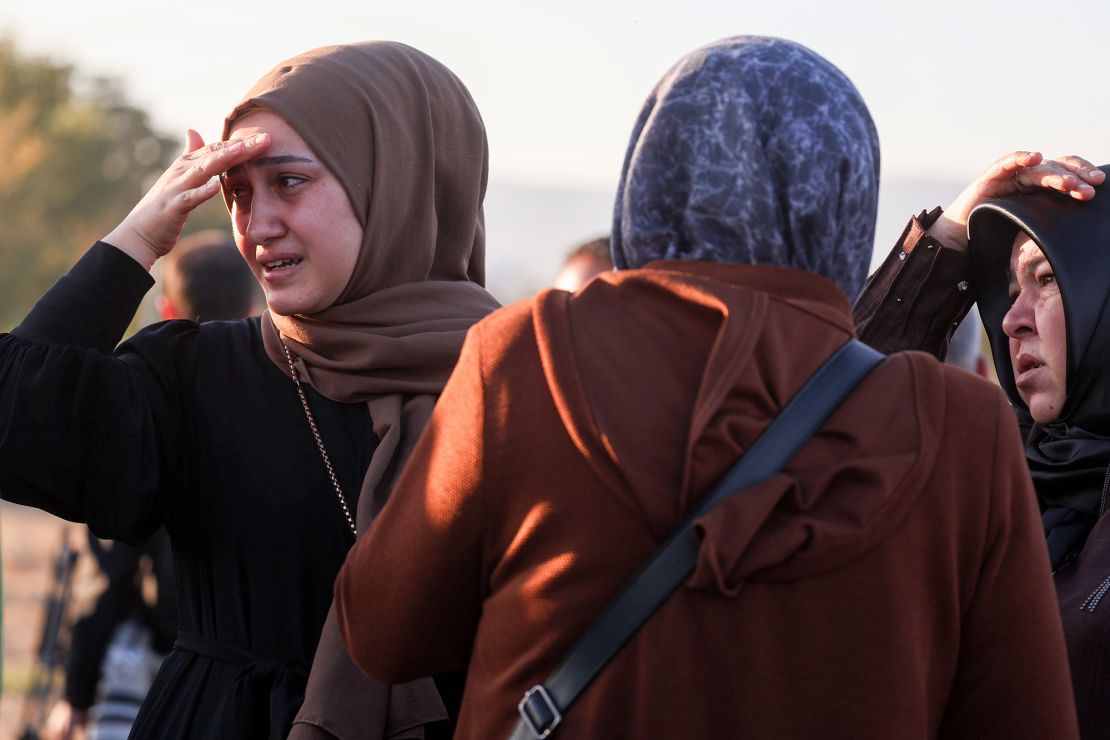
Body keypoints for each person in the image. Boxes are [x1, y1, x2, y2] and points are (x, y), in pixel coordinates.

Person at [333, 37, 1077, 739]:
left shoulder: (526, 356)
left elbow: (385, 633)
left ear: (645, 181)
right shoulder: (961, 426)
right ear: (846, 194)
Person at [0, 41, 499, 739]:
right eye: (237, 193)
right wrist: (140, 235)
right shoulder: (197, 375)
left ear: (404, 180)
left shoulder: (526, 383)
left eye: (289, 182)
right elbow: (13, 419)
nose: (257, 225)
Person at [856, 151, 1110, 738]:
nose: (1010, 320)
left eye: (1047, 279)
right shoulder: (1002, 477)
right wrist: (951, 231)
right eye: (1009, 290)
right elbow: (843, 427)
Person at [43, 229, 255, 740]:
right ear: (254, 309)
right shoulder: (285, 408)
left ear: (166, 310)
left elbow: (112, 580)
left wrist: (74, 696)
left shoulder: (143, 417)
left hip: (170, 669)